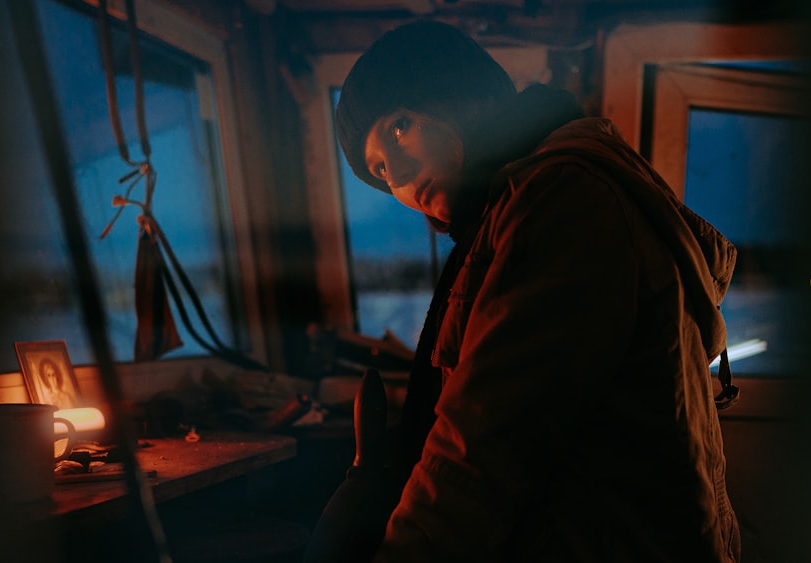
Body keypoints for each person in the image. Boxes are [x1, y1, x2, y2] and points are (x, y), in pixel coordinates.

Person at [305, 19, 741, 563]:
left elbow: (481, 455)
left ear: (459, 97)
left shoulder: (561, 199)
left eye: (399, 126)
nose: (396, 172)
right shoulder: (514, 209)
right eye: (377, 170)